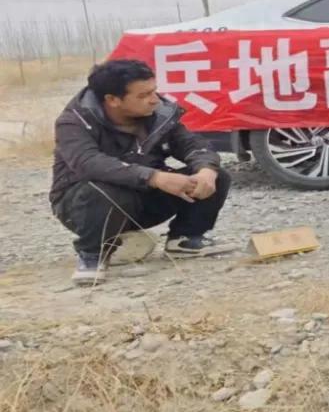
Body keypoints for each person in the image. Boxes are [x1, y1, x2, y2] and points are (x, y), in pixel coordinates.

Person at [51, 59, 231, 286]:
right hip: (85, 205)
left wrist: (206, 170)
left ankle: (184, 239)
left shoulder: (159, 114)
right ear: (113, 100)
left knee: (217, 176)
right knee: (105, 189)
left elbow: (193, 145)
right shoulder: (74, 122)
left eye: (154, 91)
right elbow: (89, 163)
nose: (154, 99)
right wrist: (155, 177)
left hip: (142, 196)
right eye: (143, 95)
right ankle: (92, 254)